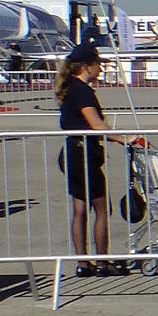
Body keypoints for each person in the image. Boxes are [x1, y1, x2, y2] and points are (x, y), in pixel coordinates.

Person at [54, 43, 135, 277]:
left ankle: (83, 262)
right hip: (83, 154)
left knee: (80, 208)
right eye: (98, 64)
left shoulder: (71, 88)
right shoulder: (82, 91)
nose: (100, 69)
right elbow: (96, 124)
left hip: (72, 150)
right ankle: (101, 260)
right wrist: (125, 139)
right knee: (101, 208)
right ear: (87, 66)